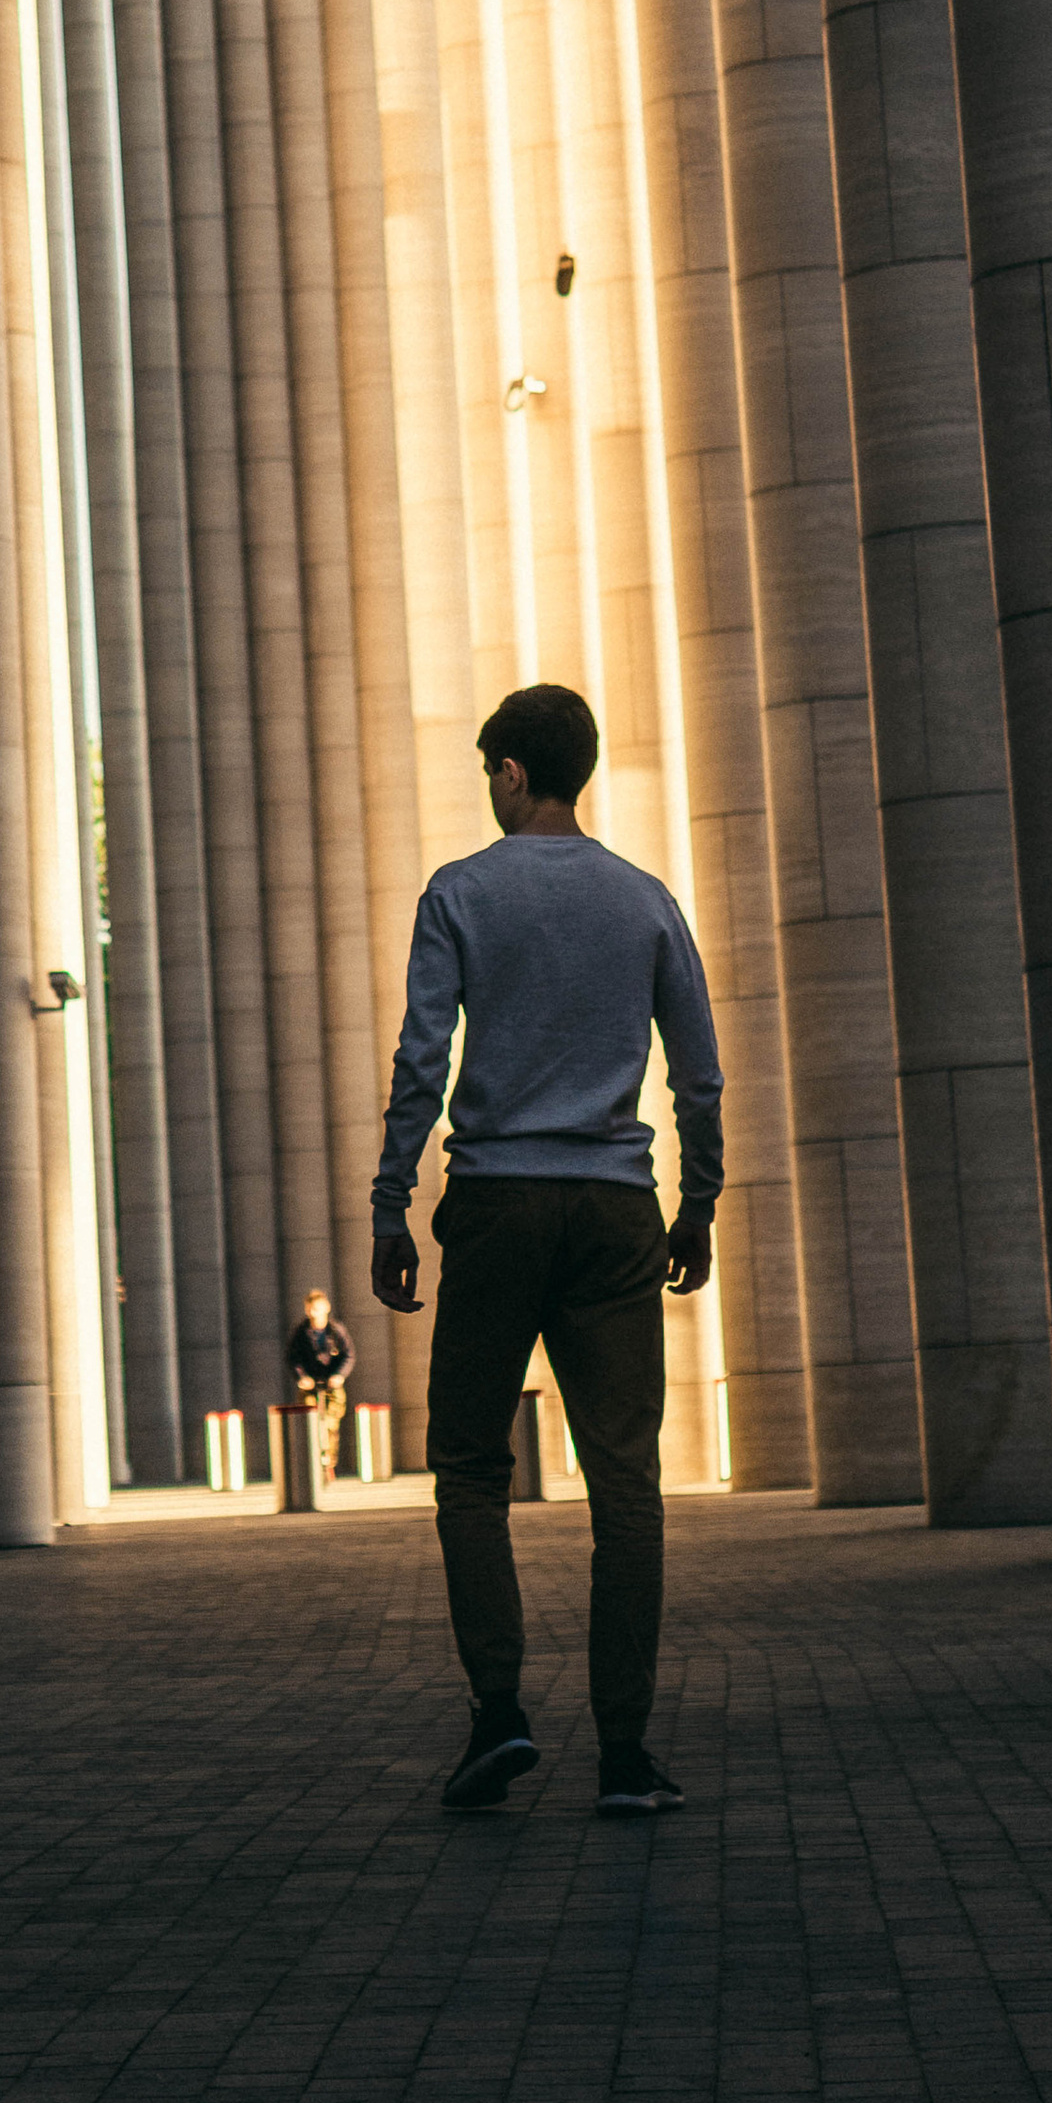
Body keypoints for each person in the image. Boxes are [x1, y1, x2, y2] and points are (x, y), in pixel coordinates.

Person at [371, 681, 720, 1821]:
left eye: (489, 773)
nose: (488, 791)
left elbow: (423, 1063)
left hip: (500, 1205)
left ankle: (499, 1715)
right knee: (625, 1481)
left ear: (514, 774)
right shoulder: (646, 901)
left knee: (471, 1465)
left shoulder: (460, 894)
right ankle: (625, 1754)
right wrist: (696, 1202)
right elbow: (697, 1071)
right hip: (615, 1207)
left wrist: (390, 1203)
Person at [288, 1286, 355, 1471]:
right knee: (309, 1421)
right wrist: (301, 1377)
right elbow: (293, 1358)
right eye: (310, 1309)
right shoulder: (301, 1333)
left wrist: (339, 1376)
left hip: (332, 1384)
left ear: (326, 1308)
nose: (314, 1313)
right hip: (310, 1385)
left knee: (331, 1422)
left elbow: (348, 1356)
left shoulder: (336, 1331)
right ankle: (311, 1462)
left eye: (317, 1308)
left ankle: (328, 1460)